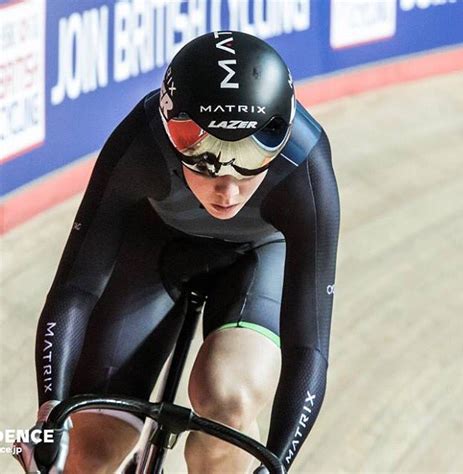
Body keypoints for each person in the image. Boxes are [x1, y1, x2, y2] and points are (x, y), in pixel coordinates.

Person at [14, 30, 340, 473]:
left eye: (249, 161)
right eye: (204, 159)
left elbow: (309, 345)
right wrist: (50, 410)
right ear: (174, 134)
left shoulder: (306, 161)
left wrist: (278, 462)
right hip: (153, 250)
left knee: (228, 401)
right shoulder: (141, 139)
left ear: (278, 139)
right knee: (84, 456)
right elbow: (76, 287)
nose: (228, 189)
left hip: (258, 257)